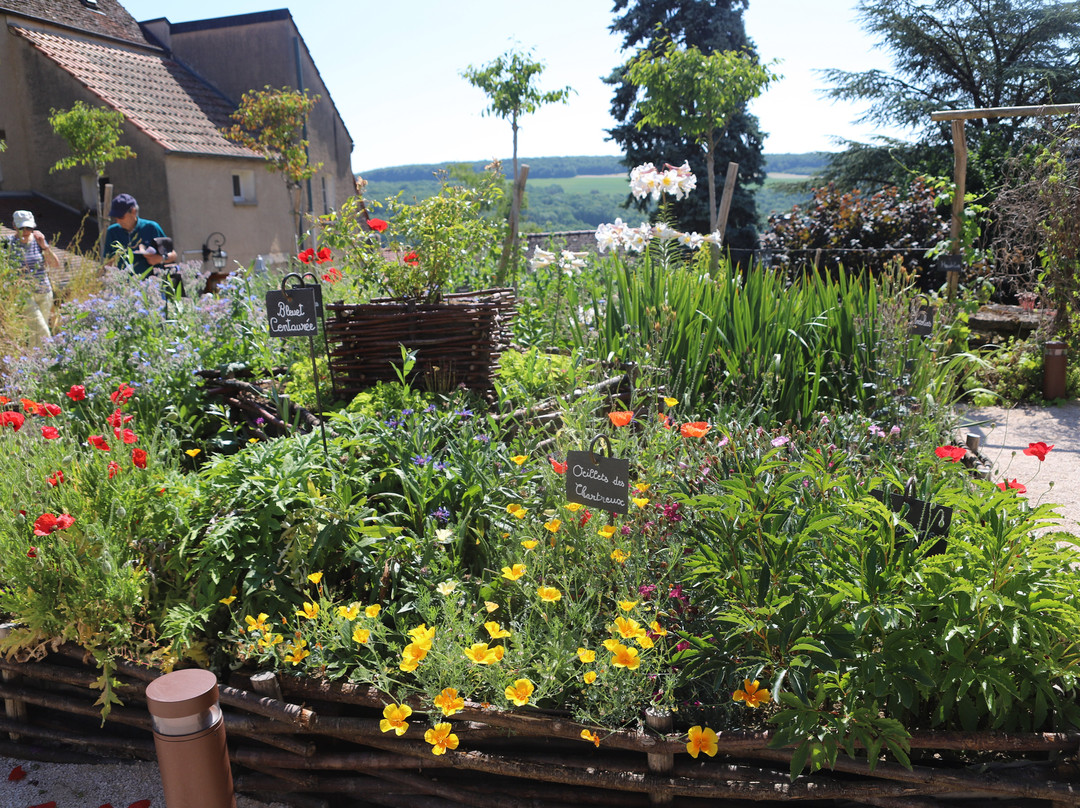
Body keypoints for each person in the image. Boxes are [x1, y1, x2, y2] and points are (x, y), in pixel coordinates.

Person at [5, 210, 60, 345]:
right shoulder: (8, 243)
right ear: (14, 225)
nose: (25, 231)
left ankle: (35, 362)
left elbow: (55, 265)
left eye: (28, 228)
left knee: (35, 334)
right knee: (41, 328)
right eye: (21, 227)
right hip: (25, 294)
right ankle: (52, 353)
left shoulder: (38, 241)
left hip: (44, 291)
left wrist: (45, 247)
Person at [102, 193, 177, 278]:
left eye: (121, 217)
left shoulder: (151, 228)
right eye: (115, 218)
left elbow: (173, 255)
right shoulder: (112, 232)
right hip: (125, 286)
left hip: (152, 285)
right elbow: (108, 262)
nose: (118, 221)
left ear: (133, 211)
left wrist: (160, 259)